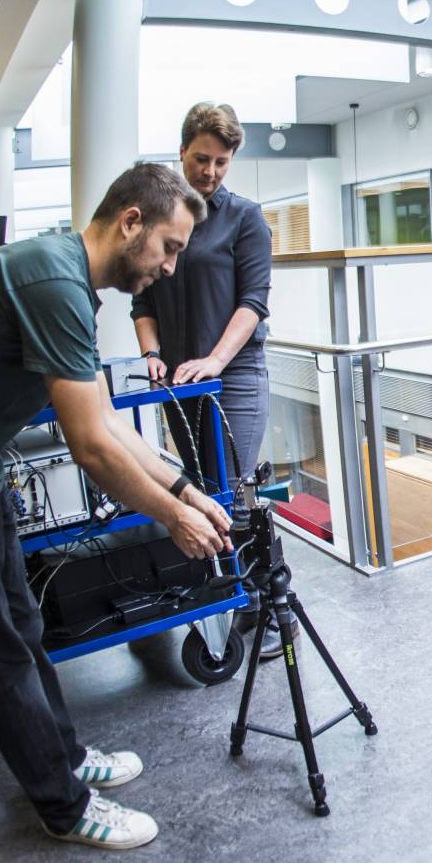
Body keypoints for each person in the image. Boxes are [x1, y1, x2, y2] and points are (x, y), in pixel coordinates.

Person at [0, 163, 234, 851]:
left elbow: (111, 423)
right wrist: (170, 518)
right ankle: (63, 805)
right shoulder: (55, 280)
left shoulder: (66, 280)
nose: (171, 268)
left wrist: (183, 491)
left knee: (22, 621)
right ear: (131, 223)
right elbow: (91, 447)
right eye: (170, 248)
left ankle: (61, 755)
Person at [132, 102, 277, 656]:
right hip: (178, 379)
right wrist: (151, 355)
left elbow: (253, 303)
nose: (210, 172)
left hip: (232, 374)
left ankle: (256, 610)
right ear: (182, 150)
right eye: (200, 159)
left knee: (232, 494)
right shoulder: (162, 214)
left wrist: (216, 360)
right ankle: (221, 596)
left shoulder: (245, 218)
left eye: (221, 162)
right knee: (197, 488)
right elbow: (143, 297)